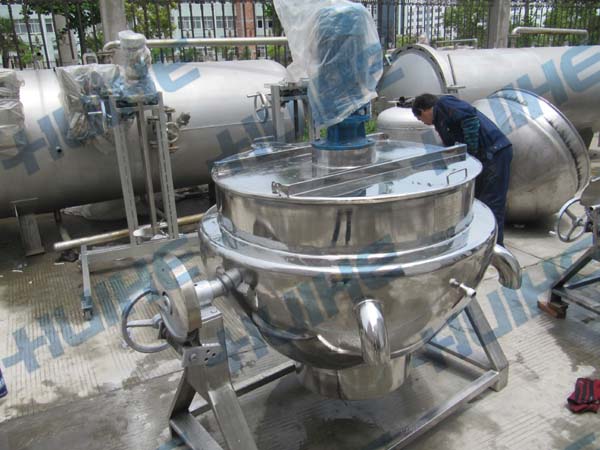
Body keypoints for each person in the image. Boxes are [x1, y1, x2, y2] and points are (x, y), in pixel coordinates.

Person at [412, 93, 513, 246]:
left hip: (495, 152)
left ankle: (496, 247)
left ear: (423, 110)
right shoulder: (440, 120)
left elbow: (470, 119)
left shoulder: (444, 103)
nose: (424, 123)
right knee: (477, 202)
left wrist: (470, 151)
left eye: (420, 119)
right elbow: (451, 147)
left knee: (492, 203)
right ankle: (480, 243)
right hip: (484, 157)